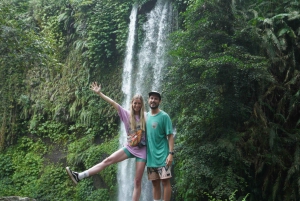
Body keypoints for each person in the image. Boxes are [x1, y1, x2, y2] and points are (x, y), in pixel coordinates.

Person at [65, 82, 147, 201]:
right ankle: (79, 176)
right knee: (107, 160)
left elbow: (156, 121)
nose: (137, 105)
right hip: (130, 148)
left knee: (137, 180)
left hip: (142, 151)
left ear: (142, 105)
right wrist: (99, 93)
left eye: (139, 103)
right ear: (132, 103)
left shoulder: (146, 116)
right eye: (135, 103)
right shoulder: (126, 114)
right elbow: (113, 103)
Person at [146, 91, 174, 201]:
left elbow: (170, 136)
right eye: (151, 98)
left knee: (165, 181)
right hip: (151, 157)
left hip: (163, 156)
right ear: (148, 100)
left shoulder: (164, 116)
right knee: (155, 183)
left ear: (160, 101)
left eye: (156, 99)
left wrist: (171, 154)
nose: (153, 100)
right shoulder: (145, 116)